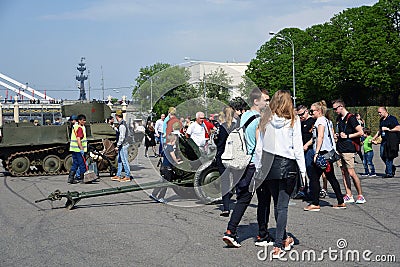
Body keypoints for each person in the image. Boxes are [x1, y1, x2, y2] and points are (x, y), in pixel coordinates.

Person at [253, 90, 304, 258]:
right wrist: (303, 171)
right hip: (287, 164)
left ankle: (282, 239)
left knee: (277, 204)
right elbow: (297, 147)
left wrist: (260, 168)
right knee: (282, 206)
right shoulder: (293, 120)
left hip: (269, 165)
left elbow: (259, 148)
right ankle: (279, 244)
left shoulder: (265, 119)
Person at [222, 88, 268, 248]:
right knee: (261, 199)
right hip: (254, 163)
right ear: (256, 101)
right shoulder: (258, 119)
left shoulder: (245, 116)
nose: (267, 103)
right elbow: (259, 145)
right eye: (265, 100)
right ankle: (262, 234)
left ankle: (231, 231)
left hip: (241, 162)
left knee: (243, 197)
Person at [304, 100, 346, 212]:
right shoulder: (327, 121)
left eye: (312, 111)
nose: (311, 113)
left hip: (322, 153)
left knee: (314, 177)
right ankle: (340, 201)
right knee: (331, 177)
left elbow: (320, 137)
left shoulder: (320, 121)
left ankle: (315, 203)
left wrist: (316, 153)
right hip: (328, 153)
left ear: (319, 110)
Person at [332, 99, 366, 204]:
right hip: (340, 148)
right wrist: (337, 136)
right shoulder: (339, 118)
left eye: (335, 108)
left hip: (348, 149)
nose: (334, 111)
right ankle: (349, 194)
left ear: (341, 106)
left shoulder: (351, 118)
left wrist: (347, 136)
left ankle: (360, 195)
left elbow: (360, 132)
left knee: (351, 172)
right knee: (343, 172)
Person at [214, 106, 238, 217]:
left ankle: (226, 207)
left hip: (223, 156)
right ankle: (239, 205)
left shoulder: (222, 127)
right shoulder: (237, 126)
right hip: (235, 155)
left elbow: (218, 142)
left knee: (225, 182)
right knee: (237, 180)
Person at [149, 133, 182, 204]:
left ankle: (154, 194)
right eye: (174, 141)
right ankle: (161, 197)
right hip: (168, 169)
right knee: (166, 183)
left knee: (161, 181)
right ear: (172, 140)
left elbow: (164, 156)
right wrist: (177, 162)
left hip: (163, 167)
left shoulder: (165, 146)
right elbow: (173, 156)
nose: (174, 143)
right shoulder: (170, 147)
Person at [372, 107, 400, 178]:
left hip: (391, 141)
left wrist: (389, 129)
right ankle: (392, 167)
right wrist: (374, 138)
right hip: (384, 141)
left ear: (385, 111)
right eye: (378, 112)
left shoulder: (392, 118)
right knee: (382, 155)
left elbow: (398, 128)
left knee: (389, 157)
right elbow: (379, 130)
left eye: (380, 112)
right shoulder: (381, 120)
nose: (379, 114)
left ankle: (389, 173)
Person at [295, 105, 316, 199]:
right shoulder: (299, 122)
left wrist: (307, 145)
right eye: (299, 115)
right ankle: (304, 189)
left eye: (302, 114)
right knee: (301, 171)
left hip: (309, 149)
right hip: (301, 149)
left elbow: (315, 136)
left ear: (307, 111)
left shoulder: (312, 121)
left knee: (310, 170)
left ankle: (313, 192)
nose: (301, 117)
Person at [111, 110, 132, 182]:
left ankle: (127, 176)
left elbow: (122, 136)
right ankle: (118, 175)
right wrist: (114, 128)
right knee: (119, 160)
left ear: (116, 116)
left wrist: (118, 145)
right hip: (122, 145)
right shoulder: (122, 124)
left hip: (123, 145)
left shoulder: (122, 125)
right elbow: (120, 132)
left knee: (124, 160)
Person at [67, 114, 87, 184]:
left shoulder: (75, 127)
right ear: (79, 121)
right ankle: (83, 178)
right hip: (78, 149)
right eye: (83, 120)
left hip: (73, 149)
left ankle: (71, 178)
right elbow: (78, 139)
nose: (84, 122)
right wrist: (81, 148)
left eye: (85, 120)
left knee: (75, 164)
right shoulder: (80, 128)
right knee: (82, 164)